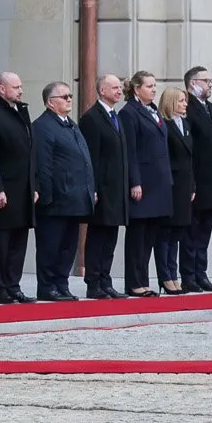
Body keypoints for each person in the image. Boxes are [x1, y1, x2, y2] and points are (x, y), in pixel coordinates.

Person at [30, 82, 94, 300]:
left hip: (74, 199)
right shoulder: (43, 126)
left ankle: (61, 284)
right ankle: (47, 286)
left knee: (67, 247)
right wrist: (47, 197)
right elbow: (43, 164)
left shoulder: (71, 125)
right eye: (64, 96)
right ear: (50, 102)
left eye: (70, 95)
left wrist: (89, 189)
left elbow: (84, 161)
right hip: (55, 200)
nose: (69, 99)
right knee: (51, 246)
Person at [120, 70, 172, 298]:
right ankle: (134, 282)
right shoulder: (129, 113)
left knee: (150, 236)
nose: (153, 89)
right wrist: (135, 182)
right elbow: (130, 151)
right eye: (149, 86)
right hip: (143, 184)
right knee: (137, 237)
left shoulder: (152, 111)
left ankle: (144, 279)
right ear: (136, 89)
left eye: (154, 85)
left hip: (158, 182)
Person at [78, 74, 130, 299]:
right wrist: (94, 188)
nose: (119, 91)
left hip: (117, 188)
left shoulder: (114, 116)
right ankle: (94, 282)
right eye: (114, 88)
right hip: (102, 188)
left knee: (111, 236)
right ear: (102, 91)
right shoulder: (92, 118)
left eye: (120, 88)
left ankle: (105, 280)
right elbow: (92, 158)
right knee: (98, 235)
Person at [0, 72, 36, 304]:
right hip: (6, 186)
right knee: (2, 241)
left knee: (19, 240)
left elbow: (30, 151)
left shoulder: (21, 111)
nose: (20, 90)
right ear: (2, 89)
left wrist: (34, 185)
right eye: (15, 87)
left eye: (21, 86)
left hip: (24, 186)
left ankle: (13, 285)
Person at [181, 67, 212, 292]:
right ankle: (188, 275)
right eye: (206, 80)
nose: (210, 84)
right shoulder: (187, 107)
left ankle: (201, 273)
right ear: (192, 83)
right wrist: (192, 184)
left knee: (204, 232)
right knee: (191, 232)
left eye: (210, 80)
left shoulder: (211, 108)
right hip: (196, 182)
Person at [158, 86, 195, 295]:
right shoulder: (165, 125)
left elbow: (191, 158)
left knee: (178, 233)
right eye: (181, 101)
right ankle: (165, 276)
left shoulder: (185, 124)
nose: (184, 104)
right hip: (170, 185)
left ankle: (174, 273)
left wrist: (193, 186)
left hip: (184, 186)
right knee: (165, 233)